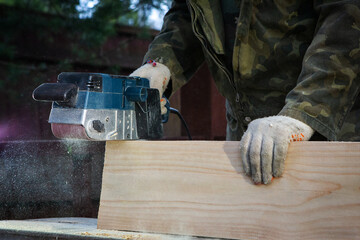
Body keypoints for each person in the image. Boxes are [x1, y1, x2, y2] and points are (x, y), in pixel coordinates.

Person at [130, 0, 360, 184]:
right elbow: (188, 12)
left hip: (331, 128)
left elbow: (348, 18)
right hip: (245, 132)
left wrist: (302, 112)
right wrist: (160, 63)